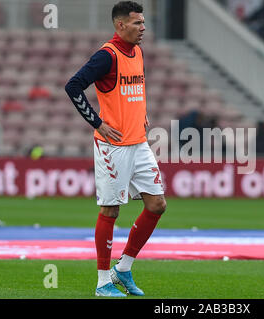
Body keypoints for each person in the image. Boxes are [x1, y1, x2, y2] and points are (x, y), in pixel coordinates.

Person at [65, 1, 166, 298]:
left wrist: (142, 114)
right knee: (110, 210)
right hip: (114, 146)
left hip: (138, 142)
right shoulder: (106, 56)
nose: (143, 28)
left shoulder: (138, 52)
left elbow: (136, 88)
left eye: (144, 22)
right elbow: (73, 86)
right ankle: (101, 282)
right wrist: (97, 122)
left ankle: (123, 268)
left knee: (157, 204)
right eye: (137, 23)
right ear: (120, 25)